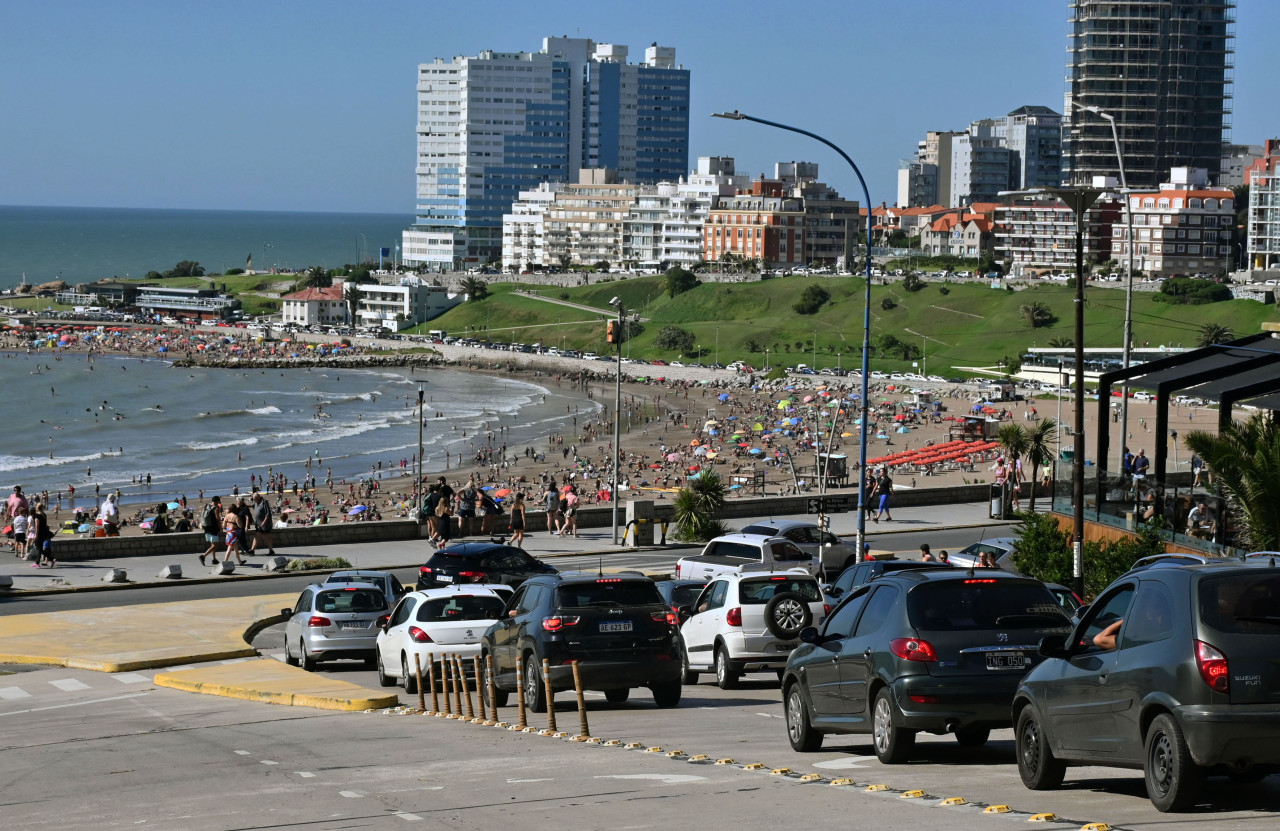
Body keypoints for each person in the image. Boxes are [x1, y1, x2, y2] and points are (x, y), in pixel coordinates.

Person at [249, 491, 276, 556]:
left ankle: (271, 550)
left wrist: (264, 522)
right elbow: (253, 506)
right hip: (258, 524)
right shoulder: (256, 502)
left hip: (265, 524)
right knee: (257, 536)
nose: (254, 500)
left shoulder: (264, 503)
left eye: (254, 499)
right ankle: (252, 550)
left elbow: (268, 514)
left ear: (258, 498)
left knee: (267, 537)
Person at [199, 496, 222, 566]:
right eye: (218, 501)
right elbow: (218, 519)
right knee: (215, 545)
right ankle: (203, 556)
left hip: (207, 528)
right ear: (217, 501)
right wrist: (221, 528)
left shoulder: (207, 507)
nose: (219, 503)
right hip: (213, 528)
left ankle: (214, 559)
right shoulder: (216, 509)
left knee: (212, 544)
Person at [222, 500, 246, 565]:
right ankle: (225, 561)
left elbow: (223, 525)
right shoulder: (236, 517)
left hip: (228, 533)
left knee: (236, 548)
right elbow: (240, 526)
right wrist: (241, 522)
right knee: (229, 548)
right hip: (233, 533)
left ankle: (240, 561)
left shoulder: (226, 516)